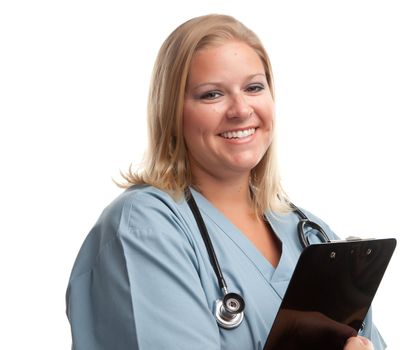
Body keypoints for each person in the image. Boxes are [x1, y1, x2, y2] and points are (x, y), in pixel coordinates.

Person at [66, 14, 386, 350]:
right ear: (172, 111)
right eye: (212, 95)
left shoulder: (311, 234)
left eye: (253, 87)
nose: (240, 109)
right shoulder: (144, 227)